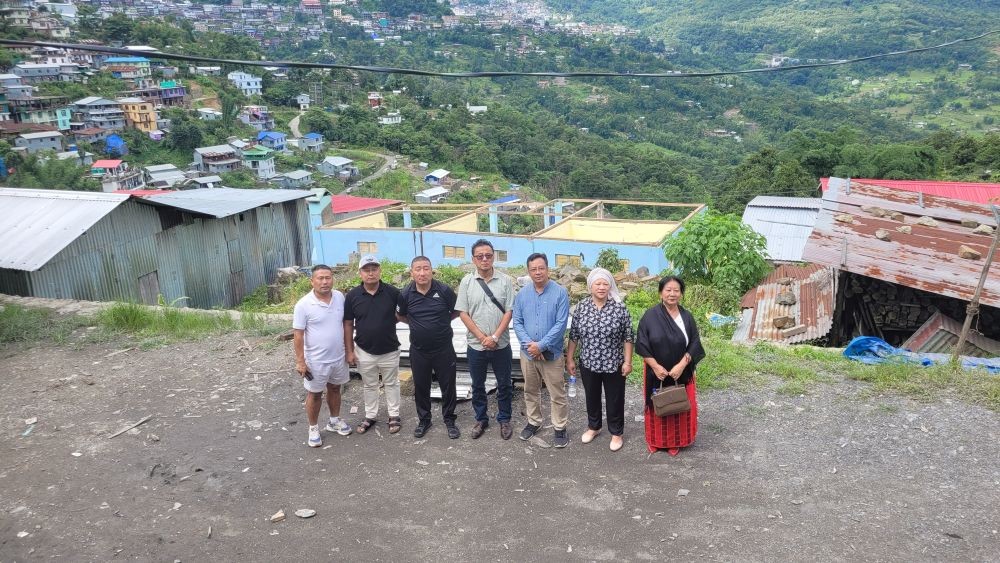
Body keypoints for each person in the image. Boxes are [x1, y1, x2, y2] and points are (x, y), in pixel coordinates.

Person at [635, 276, 705, 455]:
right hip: (655, 373)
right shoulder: (650, 316)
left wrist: (682, 365)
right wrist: (656, 366)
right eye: (668, 290)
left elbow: (695, 343)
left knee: (678, 406)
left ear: (681, 294)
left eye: (676, 290)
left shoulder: (686, 317)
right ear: (660, 293)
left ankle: (675, 442)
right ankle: (655, 441)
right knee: (657, 405)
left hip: (681, 372)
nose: (672, 294)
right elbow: (641, 343)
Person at [566, 268, 634, 452]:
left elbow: (628, 337)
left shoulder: (619, 308)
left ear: (610, 286)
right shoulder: (582, 307)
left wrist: (627, 362)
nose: (602, 287)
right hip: (589, 362)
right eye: (598, 284)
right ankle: (594, 427)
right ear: (590, 286)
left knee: (615, 398)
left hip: (614, 363)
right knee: (592, 396)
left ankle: (616, 433)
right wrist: (570, 359)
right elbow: (574, 336)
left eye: (605, 284)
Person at [456, 239, 516, 440]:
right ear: (473, 259)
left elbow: (509, 311)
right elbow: (463, 313)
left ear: (493, 257)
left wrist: (495, 336)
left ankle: (504, 419)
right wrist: (483, 337)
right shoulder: (466, 281)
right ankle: (481, 418)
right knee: (478, 384)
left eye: (488, 255)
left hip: (501, 343)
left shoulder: (506, 281)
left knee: (505, 383)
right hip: (476, 345)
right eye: (480, 256)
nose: (484, 259)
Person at [396, 256, 461, 439]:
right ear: (412, 273)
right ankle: (424, 420)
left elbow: (456, 310)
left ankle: (449, 419)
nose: (422, 273)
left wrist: (441, 321)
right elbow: (400, 315)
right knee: (421, 386)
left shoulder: (444, 290)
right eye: (418, 269)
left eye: (426, 268)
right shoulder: (405, 293)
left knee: (448, 386)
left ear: (432, 270)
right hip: (419, 350)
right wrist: (416, 324)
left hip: (444, 349)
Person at [512, 253, 570, 448]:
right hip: (528, 353)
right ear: (528, 271)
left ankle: (560, 427)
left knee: (557, 392)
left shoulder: (560, 293)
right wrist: (531, 345)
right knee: (530, 389)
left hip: (551, 353)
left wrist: (541, 345)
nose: (537, 272)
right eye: (533, 269)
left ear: (548, 269)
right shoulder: (522, 295)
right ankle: (533, 421)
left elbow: (561, 324)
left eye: (541, 268)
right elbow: (517, 322)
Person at [292, 264, 353, 448]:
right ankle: (313, 428)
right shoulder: (303, 305)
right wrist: (300, 361)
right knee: (315, 393)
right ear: (312, 281)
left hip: (338, 356)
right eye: (320, 278)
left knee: (335, 388)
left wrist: (349, 350)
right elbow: (298, 334)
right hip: (316, 360)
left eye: (328, 278)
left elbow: (345, 324)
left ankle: (334, 421)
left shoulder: (340, 297)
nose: (325, 282)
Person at [344, 255, 403, 435]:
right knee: (369, 385)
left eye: (374, 269)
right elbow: (347, 323)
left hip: (389, 349)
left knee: (391, 383)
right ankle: (371, 415)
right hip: (364, 350)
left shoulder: (393, 293)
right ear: (360, 273)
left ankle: (394, 415)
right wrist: (350, 351)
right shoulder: (353, 295)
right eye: (367, 270)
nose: (371, 273)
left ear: (380, 271)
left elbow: (402, 316)